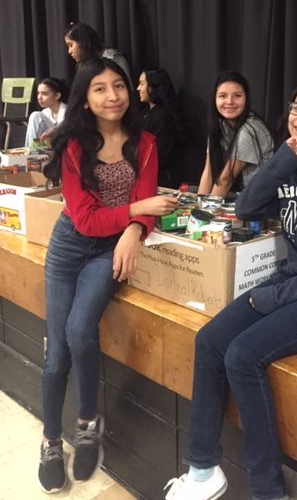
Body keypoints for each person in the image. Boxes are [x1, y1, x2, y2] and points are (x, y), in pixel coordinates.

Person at [163, 78, 297, 500]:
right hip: (294, 280)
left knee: (242, 355)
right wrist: (283, 158)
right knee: (209, 341)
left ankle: (267, 490)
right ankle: (203, 470)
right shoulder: (292, 162)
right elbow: (245, 207)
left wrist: (277, 296)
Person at [38, 57, 178, 494]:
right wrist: (137, 213)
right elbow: (85, 220)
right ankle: (49, 441)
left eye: (118, 85)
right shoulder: (74, 146)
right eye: (99, 88)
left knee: (81, 330)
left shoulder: (146, 141)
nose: (112, 96)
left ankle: (85, 424)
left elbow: (149, 206)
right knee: (56, 352)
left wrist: (134, 231)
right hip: (70, 246)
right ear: (85, 96)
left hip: (110, 250)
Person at [197, 71, 274, 197]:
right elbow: (208, 171)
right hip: (241, 196)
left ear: (246, 98)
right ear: (214, 99)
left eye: (237, 96)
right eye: (222, 96)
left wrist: (205, 212)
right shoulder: (219, 125)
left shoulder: (251, 129)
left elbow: (226, 179)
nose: (230, 101)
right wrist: (196, 209)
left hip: (262, 201)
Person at [137, 68, 188, 187]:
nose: (138, 88)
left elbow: (160, 156)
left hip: (160, 181)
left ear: (153, 87)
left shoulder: (163, 117)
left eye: (142, 83)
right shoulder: (144, 113)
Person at [64, 21, 132, 86]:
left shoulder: (113, 58)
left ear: (83, 42)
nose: (69, 51)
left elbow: (127, 88)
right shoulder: (81, 66)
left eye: (71, 45)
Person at [24, 77, 69, 146]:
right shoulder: (45, 113)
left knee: (35, 115)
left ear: (57, 95)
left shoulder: (66, 111)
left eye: (44, 94)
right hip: (49, 147)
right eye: (38, 93)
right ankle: (32, 152)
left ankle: (30, 153)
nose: (39, 97)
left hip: (63, 147)